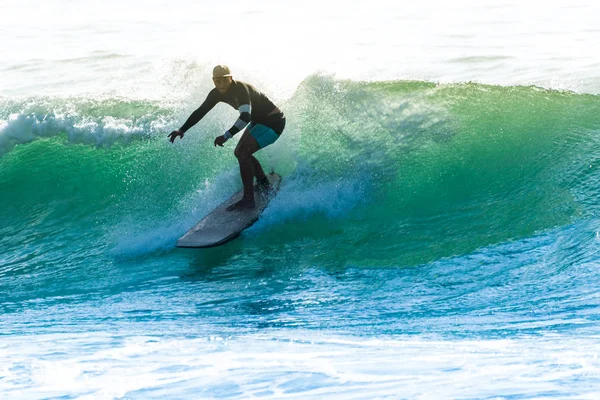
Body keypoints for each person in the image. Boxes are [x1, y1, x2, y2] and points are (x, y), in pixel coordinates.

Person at [168, 65, 285, 211]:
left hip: (273, 121)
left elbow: (245, 116)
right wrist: (182, 129)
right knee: (240, 152)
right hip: (258, 121)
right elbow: (201, 111)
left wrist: (226, 136)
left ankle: (248, 200)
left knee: (243, 152)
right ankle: (263, 183)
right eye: (218, 81)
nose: (221, 84)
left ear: (230, 78)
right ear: (213, 81)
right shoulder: (216, 93)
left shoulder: (241, 89)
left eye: (224, 80)